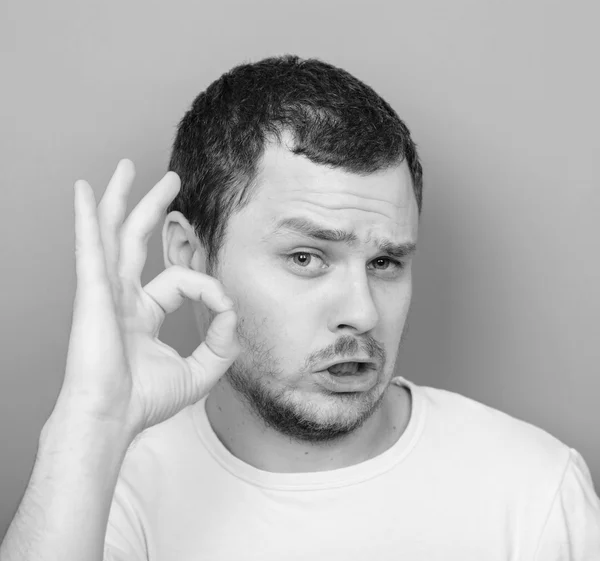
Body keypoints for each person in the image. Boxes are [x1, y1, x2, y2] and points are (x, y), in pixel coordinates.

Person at [1, 55, 599, 561]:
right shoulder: (101, 491)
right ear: (189, 254)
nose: (362, 313)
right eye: (308, 258)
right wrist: (92, 422)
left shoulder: (534, 492)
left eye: (386, 263)